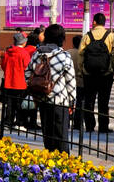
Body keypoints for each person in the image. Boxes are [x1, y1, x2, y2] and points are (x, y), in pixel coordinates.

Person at [25, 23, 76, 152]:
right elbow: (70, 82)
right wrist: (72, 102)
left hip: (42, 100)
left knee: (48, 137)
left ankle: (49, 164)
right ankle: (63, 166)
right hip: (60, 101)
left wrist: (37, 91)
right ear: (61, 38)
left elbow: (27, 75)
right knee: (61, 137)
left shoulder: (37, 54)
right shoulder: (64, 56)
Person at [78, 13, 114, 134]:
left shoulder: (87, 36)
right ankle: (103, 127)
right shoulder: (110, 36)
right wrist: (112, 66)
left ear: (94, 22)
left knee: (89, 100)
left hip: (89, 74)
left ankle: (90, 126)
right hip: (106, 74)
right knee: (103, 101)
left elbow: (81, 54)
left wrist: (82, 70)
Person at [0, 32, 33, 131]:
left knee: (9, 104)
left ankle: (8, 122)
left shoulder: (8, 52)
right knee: (20, 104)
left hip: (9, 82)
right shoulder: (24, 53)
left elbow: (3, 66)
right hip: (21, 83)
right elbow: (27, 68)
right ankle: (19, 123)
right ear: (23, 42)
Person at [69, 34, 86, 131]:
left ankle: (66, 122)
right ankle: (78, 123)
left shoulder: (68, 53)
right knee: (80, 103)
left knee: (68, 102)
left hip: (69, 82)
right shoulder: (83, 53)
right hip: (81, 82)